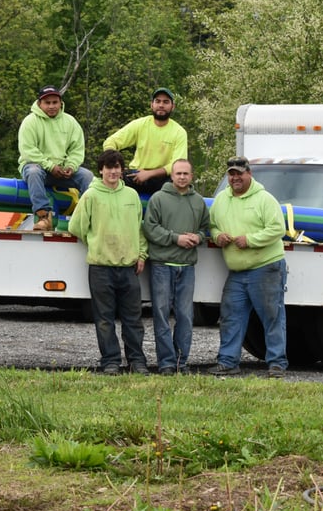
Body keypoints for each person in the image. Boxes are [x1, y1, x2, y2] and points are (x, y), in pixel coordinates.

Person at [68, 149, 150, 375]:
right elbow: (76, 227)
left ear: (122, 170)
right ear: (101, 170)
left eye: (117, 167)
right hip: (101, 267)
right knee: (104, 319)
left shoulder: (132, 196)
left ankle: (137, 361)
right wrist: (96, 241)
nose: (113, 172)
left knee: (133, 319)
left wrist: (141, 254)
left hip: (129, 268)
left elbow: (139, 229)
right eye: (108, 167)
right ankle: (110, 361)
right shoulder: (91, 196)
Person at [208, 156, 288, 378]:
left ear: (249, 174)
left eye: (239, 174)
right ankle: (228, 361)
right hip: (237, 271)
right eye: (231, 174)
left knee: (272, 316)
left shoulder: (264, 199)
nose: (235, 178)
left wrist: (250, 240)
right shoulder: (221, 200)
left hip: (265, 267)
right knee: (231, 316)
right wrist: (217, 236)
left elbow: (277, 229)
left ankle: (277, 364)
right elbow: (212, 225)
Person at [142, 158, 210, 375]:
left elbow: (205, 228)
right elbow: (150, 228)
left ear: (192, 176)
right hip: (162, 265)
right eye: (178, 173)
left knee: (185, 316)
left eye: (186, 174)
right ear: (171, 175)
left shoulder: (199, 201)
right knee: (161, 315)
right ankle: (166, 363)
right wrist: (175, 238)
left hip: (187, 266)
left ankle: (182, 362)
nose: (182, 177)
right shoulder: (158, 199)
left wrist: (198, 237)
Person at [18, 85, 94, 231]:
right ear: (40, 103)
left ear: (61, 103)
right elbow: (28, 151)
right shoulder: (30, 122)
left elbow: (77, 149)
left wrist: (71, 166)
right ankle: (43, 216)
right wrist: (50, 166)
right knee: (33, 171)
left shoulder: (70, 122)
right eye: (47, 103)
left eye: (55, 102)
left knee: (87, 176)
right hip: (38, 168)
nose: (51, 106)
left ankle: (87, 217)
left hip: (63, 170)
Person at [103, 87, 187, 195]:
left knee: (179, 182)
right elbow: (110, 142)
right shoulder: (140, 124)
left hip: (163, 179)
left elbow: (178, 165)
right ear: (151, 104)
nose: (161, 105)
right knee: (112, 177)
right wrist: (115, 164)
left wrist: (149, 174)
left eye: (166, 102)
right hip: (136, 174)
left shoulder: (179, 132)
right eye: (157, 101)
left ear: (172, 106)